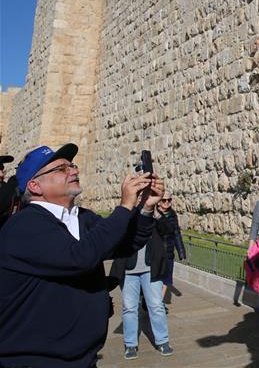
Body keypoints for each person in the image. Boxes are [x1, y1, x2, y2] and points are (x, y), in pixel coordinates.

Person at [0, 143, 164, 367]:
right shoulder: (24, 226)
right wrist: (125, 206)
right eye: (61, 169)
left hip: (83, 357)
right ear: (35, 185)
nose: (73, 171)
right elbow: (79, 257)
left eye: (73, 165)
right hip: (36, 360)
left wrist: (145, 207)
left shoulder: (82, 218)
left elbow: (124, 244)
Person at [109, 206, 174, 360]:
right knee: (129, 308)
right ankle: (130, 344)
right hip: (128, 270)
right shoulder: (125, 214)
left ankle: (163, 341)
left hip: (151, 270)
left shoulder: (154, 216)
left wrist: (156, 213)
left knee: (156, 306)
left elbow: (168, 230)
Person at [156, 193, 186, 302]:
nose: (167, 202)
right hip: (156, 252)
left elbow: (176, 234)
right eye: (164, 200)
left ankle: (159, 302)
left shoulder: (172, 215)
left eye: (169, 200)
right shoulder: (154, 214)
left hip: (168, 251)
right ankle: (153, 301)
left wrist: (181, 253)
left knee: (167, 278)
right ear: (159, 201)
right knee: (156, 277)